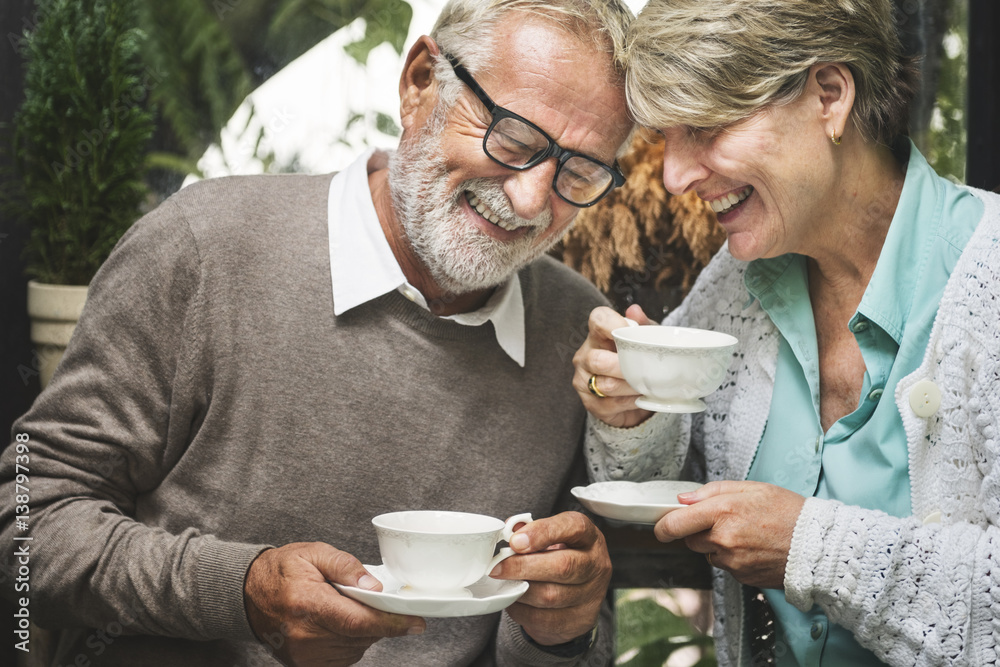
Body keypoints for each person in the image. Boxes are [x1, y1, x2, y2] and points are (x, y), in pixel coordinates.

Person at [0, 1, 637, 665]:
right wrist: (239, 591)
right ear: (420, 81)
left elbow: (564, 630)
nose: (533, 200)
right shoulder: (203, 246)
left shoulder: (578, 335)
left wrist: (561, 630)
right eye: (512, 138)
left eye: (581, 171)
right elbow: (25, 522)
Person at [572, 0, 1000, 665]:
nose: (675, 175)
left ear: (829, 95)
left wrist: (812, 545)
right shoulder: (737, 280)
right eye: (667, 137)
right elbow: (659, 477)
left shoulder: (990, 276)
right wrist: (630, 410)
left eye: (705, 126)